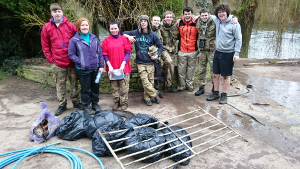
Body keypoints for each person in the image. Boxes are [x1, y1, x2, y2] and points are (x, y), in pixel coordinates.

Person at [41, 3, 81, 116]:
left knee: (74, 83)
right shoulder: (47, 27)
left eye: (59, 11)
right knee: (60, 84)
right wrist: (50, 60)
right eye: (55, 12)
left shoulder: (70, 26)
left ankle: (76, 101)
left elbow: (78, 40)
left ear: (62, 12)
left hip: (71, 61)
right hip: (58, 62)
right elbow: (45, 45)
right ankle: (62, 104)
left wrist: (78, 57)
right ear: (51, 13)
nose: (57, 13)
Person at [123, 15, 163, 106]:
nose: (143, 23)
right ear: (140, 23)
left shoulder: (153, 34)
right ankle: (155, 95)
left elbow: (160, 46)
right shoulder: (136, 32)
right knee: (145, 81)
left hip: (150, 62)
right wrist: (129, 37)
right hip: (140, 62)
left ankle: (147, 98)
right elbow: (123, 33)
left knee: (150, 82)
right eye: (142, 21)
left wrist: (156, 55)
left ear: (148, 23)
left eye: (145, 21)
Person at [206, 3, 242, 104]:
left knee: (226, 76)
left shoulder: (234, 24)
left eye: (223, 12)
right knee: (215, 74)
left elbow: (239, 39)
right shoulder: (217, 20)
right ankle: (216, 93)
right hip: (218, 52)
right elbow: (206, 15)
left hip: (229, 53)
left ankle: (224, 95)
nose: (221, 14)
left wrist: (237, 53)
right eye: (219, 12)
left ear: (227, 12)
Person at [68, 17, 104, 114]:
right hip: (82, 69)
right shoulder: (74, 40)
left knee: (95, 87)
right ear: (79, 27)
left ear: (89, 26)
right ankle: (86, 105)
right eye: (82, 25)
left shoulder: (94, 38)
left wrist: (101, 66)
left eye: (86, 25)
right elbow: (71, 54)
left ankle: (95, 104)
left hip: (95, 68)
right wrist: (80, 61)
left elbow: (100, 53)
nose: (85, 27)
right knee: (85, 88)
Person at [102, 20, 133, 111]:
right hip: (111, 68)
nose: (114, 30)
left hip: (124, 67)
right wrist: (109, 65)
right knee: (114, 87)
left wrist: (123, 64)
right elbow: (105, 54)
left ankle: (124, 103)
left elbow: (128, 52)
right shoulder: (106, 40)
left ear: (119, 28)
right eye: (112, 28)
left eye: (115, 28)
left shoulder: (124, 39)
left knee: (124, 87)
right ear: (109, 29)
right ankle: (116, 102)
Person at [194, 8, 216, 96]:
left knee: (214, 70)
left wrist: (234, 18)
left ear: (209, 15)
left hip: (212, 50)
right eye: (202, 15)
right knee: (201, 70)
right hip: (202, 50)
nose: (204, 17)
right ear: (200, 15)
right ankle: (201, 88)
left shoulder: (214, 21)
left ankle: (215, 88)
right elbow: (186, 18)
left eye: (206, 15)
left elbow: (226, 17)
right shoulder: (197, 21)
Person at [177, 7, 199, 92]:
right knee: (181, 70)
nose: (187, 16)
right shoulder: (179, 23)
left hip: (193, 50)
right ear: (183, 14)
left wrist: (198, 17)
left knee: (191, 70)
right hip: (182, 51)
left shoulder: (196, 23)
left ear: (191, 14)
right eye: (185, 14)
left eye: (189, 14)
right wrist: (178, 20)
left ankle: (189, 85)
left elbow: (207, 17)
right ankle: (181, 85)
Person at [158, 11, 179, 92]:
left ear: (173, 18)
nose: (169, 18)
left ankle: (168, 86)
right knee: (168, 61)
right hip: (163, 49)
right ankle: (163, 73)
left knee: (171, 69)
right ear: (164, 18)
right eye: (167, 17)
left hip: (172, 50)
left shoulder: (175, 26)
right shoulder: (160, 27)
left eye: (170, 17)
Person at [151, 15, 164, 98]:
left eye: (158, 20)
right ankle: (150, 91)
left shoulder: (161, 29)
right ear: (151, 21)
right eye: (154, 20)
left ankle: (157, 89)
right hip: (149, 53)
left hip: (157, 53)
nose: (156, 22)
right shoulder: (148, 30)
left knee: (157, 71)